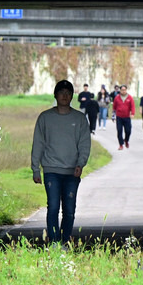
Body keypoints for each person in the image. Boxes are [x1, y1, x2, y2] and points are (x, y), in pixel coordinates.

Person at [31, 80, 91, 246]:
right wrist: (36, 169)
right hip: (51, 170)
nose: (65, 96)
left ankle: (65, 241)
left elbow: (84, 144)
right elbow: (38, 143)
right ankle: (54, 242)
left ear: (72, 96)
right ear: (55, 95)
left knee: (69, 211)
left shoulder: (79, 119)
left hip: (72, 172)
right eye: (61, 92)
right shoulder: (45, 118)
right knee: (53, 207)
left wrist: (80, 163)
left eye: (68, 93)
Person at [113, 85, 135, 150]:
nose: (123, 91)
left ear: (126, 90)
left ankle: (126, 140)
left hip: (127, 117)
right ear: (120, 90)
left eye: (125, 90)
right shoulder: (117, 98)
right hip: (119, 117)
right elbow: (114, 107)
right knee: (119, 131)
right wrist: (113, 116)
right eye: (122, 90)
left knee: (128, 131)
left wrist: (132, 113)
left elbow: (132, 106)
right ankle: (121, 144)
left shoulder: (130, 98)